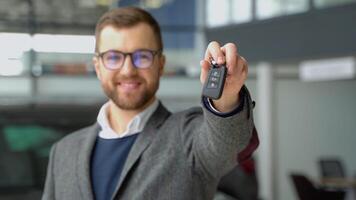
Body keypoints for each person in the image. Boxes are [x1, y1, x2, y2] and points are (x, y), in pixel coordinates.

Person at [42, 6, 259, 200]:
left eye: (142, 56)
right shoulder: (63, 152)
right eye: (113, 57)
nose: (128, 70)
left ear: (161, 64)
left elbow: (226, 144)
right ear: (98, 67)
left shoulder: (188, 138)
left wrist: (225, 99)